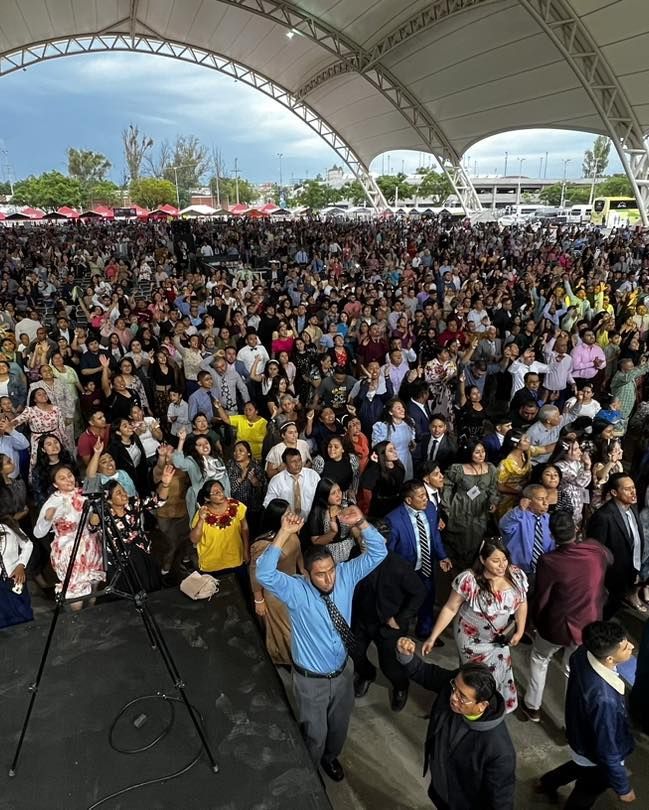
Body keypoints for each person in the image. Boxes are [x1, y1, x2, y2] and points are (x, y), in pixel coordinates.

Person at [255, 506, 387, 782]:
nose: (328, 580)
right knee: (314, 734)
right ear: (307, 574)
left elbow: (378, 552)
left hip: (342, 671)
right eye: (320, 575)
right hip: (310, 680)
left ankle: (330, 758)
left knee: (339, 727)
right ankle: (310, 774)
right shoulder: (296, 590)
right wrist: (283, 533)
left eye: (331, 572)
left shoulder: (346, 576)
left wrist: (361, 523)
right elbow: (265, 574)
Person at [396, 640, 516, 810]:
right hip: (441, 789)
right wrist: (406, 656)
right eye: (454, 689)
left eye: (462, 698)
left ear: (482, 705)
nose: (453, 697)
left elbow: (500, 802)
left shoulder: (499, 752)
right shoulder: (458, 686)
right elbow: (427, 674)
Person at [522, 512, 612, 722]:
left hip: (556, 625)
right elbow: (610, 559)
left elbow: (542, 596)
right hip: (588, 622)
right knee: (572, 672)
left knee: (539, 658)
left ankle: (532, 706)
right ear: (577, 529)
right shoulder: (595, 549)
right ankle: (568, 723)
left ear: (552, 535)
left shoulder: (549, 560)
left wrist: (534, 621)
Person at [537, 621, 636, 808]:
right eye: (624, 647)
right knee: (587, 791)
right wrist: (623, 788)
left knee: (579, 766)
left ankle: (547, 783)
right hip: (594, 750)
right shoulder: (604, 699)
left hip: (580, 738)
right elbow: (608, 749)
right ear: (609, 659)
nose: (631, 646)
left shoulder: (583, 653)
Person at [423, 539, 528, 713]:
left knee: (501, 671)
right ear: (482, 559)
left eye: (504, 559)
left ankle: (495, 705)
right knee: (475, 678)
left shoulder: (516, 576)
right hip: (470, 639)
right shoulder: (469, 580)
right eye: (495, 561)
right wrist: (433, 637)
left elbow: (522, 603)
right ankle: (473, 708)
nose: (502, 565)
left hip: (498, 639)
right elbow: (450, 608)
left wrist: (520, 630)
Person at [351, 549, 426, 711]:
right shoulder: (357, 556)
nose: (364, 543)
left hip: (389, 625)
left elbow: (419, 592)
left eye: (369, 539)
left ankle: (401, 686)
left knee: (390, 666)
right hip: (363, 619)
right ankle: (366, 674)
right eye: (362, 539)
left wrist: (400, 618)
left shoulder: (398, 565)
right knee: (354, 652)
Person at [386, 479, 452, 639]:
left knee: (428, 597)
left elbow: (434, 535)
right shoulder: (394, 520)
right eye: (421, 496)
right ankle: (401, 635)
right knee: (406, 604)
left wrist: (442, 555)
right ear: (409, 500)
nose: (425, 499)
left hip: (427, 566)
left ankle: (424, 632)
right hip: (406, 571)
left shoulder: (430, 509)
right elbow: (389, 552)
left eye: (425, 494)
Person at [34, 464, 105, 607]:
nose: (68, 480)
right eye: (62, 478)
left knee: (93, 586)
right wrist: (47, 519)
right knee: (75, 592)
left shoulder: (84, 493)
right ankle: (77, 622)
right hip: (69, 551)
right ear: (55, 484)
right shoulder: (54, 501)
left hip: (91, 545)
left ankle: (93, 614)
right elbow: (38, 532)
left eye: (69, 476)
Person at [102, 466, 174, 593]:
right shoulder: (104, 514)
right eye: (118, 493)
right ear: (109, 500)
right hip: (121, 560)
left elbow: (158, 501)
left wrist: (166, 484)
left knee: (151, 586)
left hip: (142, 551)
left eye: (123, 490)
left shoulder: (133, 503)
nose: (124, 493)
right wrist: (98, 506)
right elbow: (92, 526)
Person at [249, 499, 304, 666]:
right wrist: (259, 599)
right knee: (284, 630)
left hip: (294, 584)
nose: (291, 516)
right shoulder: (262, 544)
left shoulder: (291, 531)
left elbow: (298, 552)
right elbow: (255, 573)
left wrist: (304, 571)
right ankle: (287, 660)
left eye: (290, 511)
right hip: (276, 594)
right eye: (286, 514)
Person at [586, 473, 647, 615]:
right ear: (614, 492)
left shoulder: (633, 508)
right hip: (611, 577)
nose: (633, 492)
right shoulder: (603, 517)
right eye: (627, 489)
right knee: (605, 610)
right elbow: (596, 552)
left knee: (616, 605)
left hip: (630, 570)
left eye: (633, 488)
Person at [441, 439, 498, 571]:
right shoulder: (458, 469)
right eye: (477, 452)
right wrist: (447, 505)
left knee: (477, 537)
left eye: (483, 451)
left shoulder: (490, 468)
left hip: (480, 510)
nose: (481, 455)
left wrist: (493, 502)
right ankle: (459, 568)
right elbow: (447, 486)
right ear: (469, 453)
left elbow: (493, 488)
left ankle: (474, 568)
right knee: (460, 539)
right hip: (461, 507)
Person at [190, 479, 249, 576]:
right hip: (211, 564)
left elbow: (244, 528)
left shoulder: (236, 506)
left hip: (235, 560)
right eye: (215, 493)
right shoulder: (202, 513)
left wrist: (246, 550)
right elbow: (194, 539)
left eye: (221, 490)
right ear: (207, 498)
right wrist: (201, 519)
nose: (220, 494)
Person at [499, 484, 555, 578]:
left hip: (544, 569)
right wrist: (519, 510)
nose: (545, 503)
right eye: (540, 499)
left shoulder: (549, 519)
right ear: (527, 501)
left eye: (546, 498)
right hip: (519, 571)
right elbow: (504, 526)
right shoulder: (517, 517)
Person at [263, 447, 320, 519]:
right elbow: (268, 504)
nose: (298, 464)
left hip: (312, 520)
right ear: (285, 464)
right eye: (293, 462)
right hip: (288, 522)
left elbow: (322, 496)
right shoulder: (276, 481)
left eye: (299, 460)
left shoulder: (313, 475)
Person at [356, 440, 405, 519]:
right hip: (381, 506)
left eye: (394, 449)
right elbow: (366, 485)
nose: (395, 452)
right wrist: (374, 463)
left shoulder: (399, 467)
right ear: (382, 454)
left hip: (397, 503)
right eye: (390, 450)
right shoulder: (376, 469)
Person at [0, 517, 33, 628]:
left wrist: (21, 565)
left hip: (14, 578)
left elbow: (28, 544)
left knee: (23, 614)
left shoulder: (9, 526)